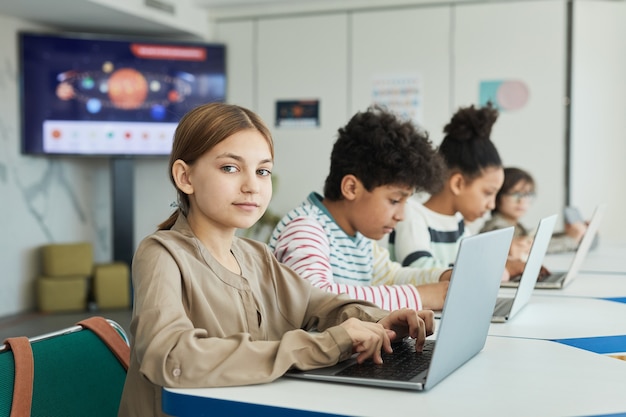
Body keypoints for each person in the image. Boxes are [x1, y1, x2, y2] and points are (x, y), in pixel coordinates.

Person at [117, 102, 436, 417]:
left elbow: (319, 304)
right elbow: (171, 357)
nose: (251, 186)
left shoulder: (255, 255)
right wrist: (324, 345)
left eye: (263, 171)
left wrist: (378, 319)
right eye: (230, 168)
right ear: (185, 177)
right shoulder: (161, 254)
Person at [268, 106, 451, 313]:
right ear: (351, 188)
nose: (401, 216)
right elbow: (315, 298)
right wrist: (420, 297)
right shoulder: (304, 229)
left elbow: (392, 278)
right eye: (394, 201)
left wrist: (443, 277)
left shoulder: (359, 239)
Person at [386, 102, 523, 279]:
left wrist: (503, 261)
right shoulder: (412, 215)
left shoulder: (458, 222)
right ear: (458, 183)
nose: (492, 204)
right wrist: (494, 271)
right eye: (488, 193)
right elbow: (419, 269)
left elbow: (471, 263)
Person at [480, 166, 588, 258]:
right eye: (515, 194)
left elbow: (534, 239)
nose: (522, 201)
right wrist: (571, 239)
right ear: (498, 196)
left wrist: (569, 234)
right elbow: (531, 247)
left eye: (527, 195)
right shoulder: (498, 228)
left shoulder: (514, 224)